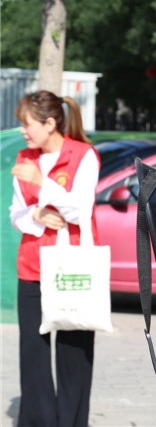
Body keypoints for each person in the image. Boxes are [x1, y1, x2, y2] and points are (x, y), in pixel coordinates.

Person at [9, 90, 100, 426]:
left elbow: (80, 210)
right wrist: (35, 214)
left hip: (72, 267)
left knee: (74, 354)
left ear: (49, 124)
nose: (23, 131)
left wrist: (43, 183)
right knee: (32, 353)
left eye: (27, 124)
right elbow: (15, 212)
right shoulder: (24, 157)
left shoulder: (84, 155)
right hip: (32, 267)